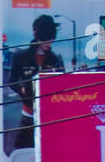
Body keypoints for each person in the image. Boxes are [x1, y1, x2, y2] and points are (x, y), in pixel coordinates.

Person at [8, 14, 65, 149]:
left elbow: (62, 83)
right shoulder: (21, 57)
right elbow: (12, 81)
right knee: (23, 152)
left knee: (52, 151)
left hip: (50, 116)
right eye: (46, 39)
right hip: (29, 114)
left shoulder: (55, 60)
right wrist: (22, 89)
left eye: (51, 40)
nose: (48, 44)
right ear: (37, 35)